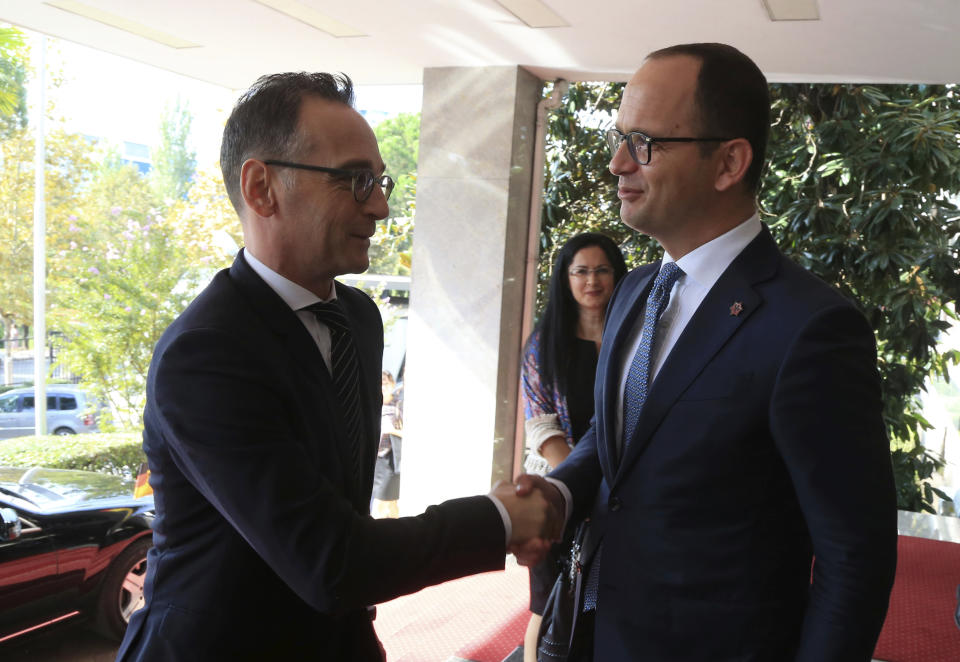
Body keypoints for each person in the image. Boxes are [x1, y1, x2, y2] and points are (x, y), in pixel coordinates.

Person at [116, 72, 560, 662]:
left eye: (380, 181)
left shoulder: (357, 317)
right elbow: (330, 559)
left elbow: (344, 510)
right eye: (355, 180)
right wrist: (499, 520)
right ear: (262, 188)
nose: (379, 205)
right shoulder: (206, 353)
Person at [515, 43, 898, 661]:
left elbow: (855, 556)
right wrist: (559, 494)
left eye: (643, 143)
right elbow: (621, 440)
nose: (617, 163)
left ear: (728, 162)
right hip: (602, 632)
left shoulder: (811, 326)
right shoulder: (636, 288)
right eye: (619, 138)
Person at [519, 232, 626, 660]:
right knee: (548, 605)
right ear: (565, 278)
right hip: (561, 491)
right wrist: (578, 490)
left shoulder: (635, 338)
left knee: (611, 600)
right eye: (581, 271)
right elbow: (542, 427)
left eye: (602, 270)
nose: (592, 280)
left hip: (625, 491)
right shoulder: (545, 345)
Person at [372, 370, 402, 518]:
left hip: (390, 459)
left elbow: (408, 431)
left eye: (386, 382)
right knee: (379, 503)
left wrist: (391, 430)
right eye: (381, 382)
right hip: (375, 460)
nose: (383, 386)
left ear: (392, 384)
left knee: (390, 503)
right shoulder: (373, 403)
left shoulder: (398, 405)